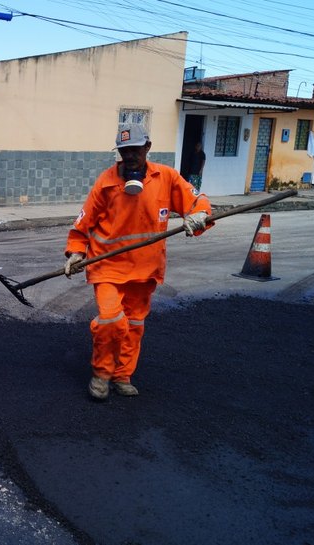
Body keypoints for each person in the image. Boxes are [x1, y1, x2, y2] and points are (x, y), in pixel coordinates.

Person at [63, 123, 212, 400]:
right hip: (107, 267)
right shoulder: (106, 183)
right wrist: (76, 251)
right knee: (111, 321)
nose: (129, 156)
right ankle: (102, 373)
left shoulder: (165, 177)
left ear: (148, 147)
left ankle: (122, 375)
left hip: (145, 269)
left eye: (135, 150)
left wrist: (200, 214)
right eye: (124, 151)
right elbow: (83, 224)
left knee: (133, 325)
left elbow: (196, 200)